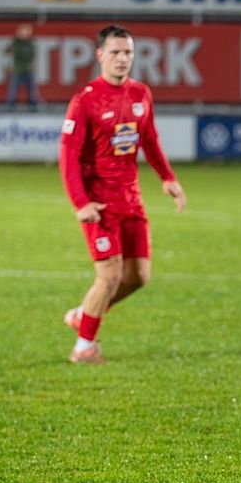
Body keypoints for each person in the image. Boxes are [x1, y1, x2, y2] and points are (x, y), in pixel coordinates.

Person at [58, 25, 186, 364]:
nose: (122, 58)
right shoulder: (85, 99)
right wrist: (80, 203)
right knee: (110, 275)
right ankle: (84, 346)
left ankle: (84, 314)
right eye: (115, 52)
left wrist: (167, 177)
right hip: (99, 203)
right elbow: (68, 155)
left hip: (131, 199)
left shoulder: (141, 93)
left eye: (127, 52)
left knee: (139, 277)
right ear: (100, 55)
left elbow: (149, 139)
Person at [5, 23, 39, 110]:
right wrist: (25, 55)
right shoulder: (16, 43)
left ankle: (33, 105)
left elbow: (32, 54)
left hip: (28, 69)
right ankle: (10, 105)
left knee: (31, 88)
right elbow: (17, 53)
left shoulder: (30, 43)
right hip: (18, 69)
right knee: (13, 88)